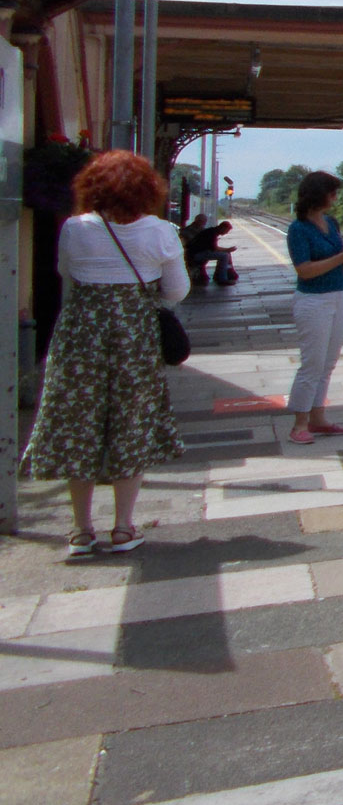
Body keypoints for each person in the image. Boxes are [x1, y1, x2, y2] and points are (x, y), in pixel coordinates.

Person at [23, 149, 190, 560]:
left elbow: (66, 274)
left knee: (78, 425)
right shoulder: (160, 232)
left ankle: (80, 531)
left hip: (79, 338)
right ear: (147, 189)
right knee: (130, 424)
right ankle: (123, 527)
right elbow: (176, 291)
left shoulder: (74, 228)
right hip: (134, 340)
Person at [286, 171, 343, 445]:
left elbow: (334, 261)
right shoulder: (298, 229)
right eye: (332, 192)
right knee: (312, 364)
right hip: (313, 301)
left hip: (338, 295)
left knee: (328, 363)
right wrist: (342, 257)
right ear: (318, 194)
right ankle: (299, 424)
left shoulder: (331, 223)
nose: (335, 197)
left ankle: (318, 418)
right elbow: (305, 270)